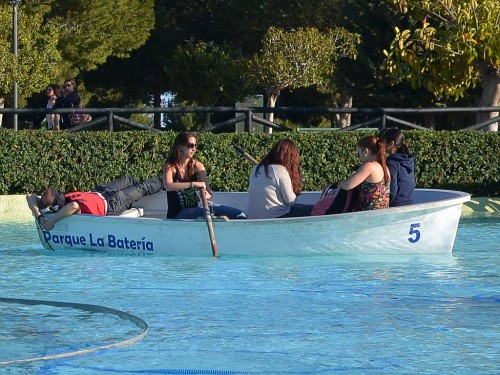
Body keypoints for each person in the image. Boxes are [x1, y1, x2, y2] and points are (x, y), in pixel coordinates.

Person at [26, 176, 163, 231]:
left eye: (61, 194)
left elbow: (29, 196)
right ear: (55, 206)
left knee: (128, 179)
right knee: (141, 188)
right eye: (59, 200)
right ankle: (165, 180)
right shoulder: (66, 209)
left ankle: (158, 187)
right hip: (110, 204)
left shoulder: (64, 201)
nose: (63, 198)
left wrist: (39, 215)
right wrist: (48, 221)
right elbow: (74, 206)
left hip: (101, 192)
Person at [163, 131, 246, 219]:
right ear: (180, 147)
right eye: (190, 146)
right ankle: (210, 217)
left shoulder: (198, 166)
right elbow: (168, 186)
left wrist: (206, 195)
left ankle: (212, 219)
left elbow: (209, 193)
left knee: (239, 214)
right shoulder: (170, 166)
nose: (194, 149)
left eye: (195, 146)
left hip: (198, 207)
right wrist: (193, 184)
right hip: (178, 213)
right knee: (202, 213)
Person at [246, 139, 313, 219]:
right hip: (275, 216)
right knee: (313, 209)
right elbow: (290, 201)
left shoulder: (257, 168)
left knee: (299, 207)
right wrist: (297, 190)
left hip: (252, 216)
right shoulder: (281, 170)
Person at [338, 135, 390, 211]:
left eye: (359, 152)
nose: (359, 156)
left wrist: (337, 184)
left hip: (367, 215)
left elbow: (348, 185)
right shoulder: (385, 167)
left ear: (365, 151)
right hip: (382, 213)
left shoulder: (369, 167)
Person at [378, 128, 415, 207]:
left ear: (391, 143)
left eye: (381, 142)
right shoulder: (408, 159)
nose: (379, 145)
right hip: (409, 202)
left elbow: (392, 187)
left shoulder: (392, 162)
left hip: (396, 205)